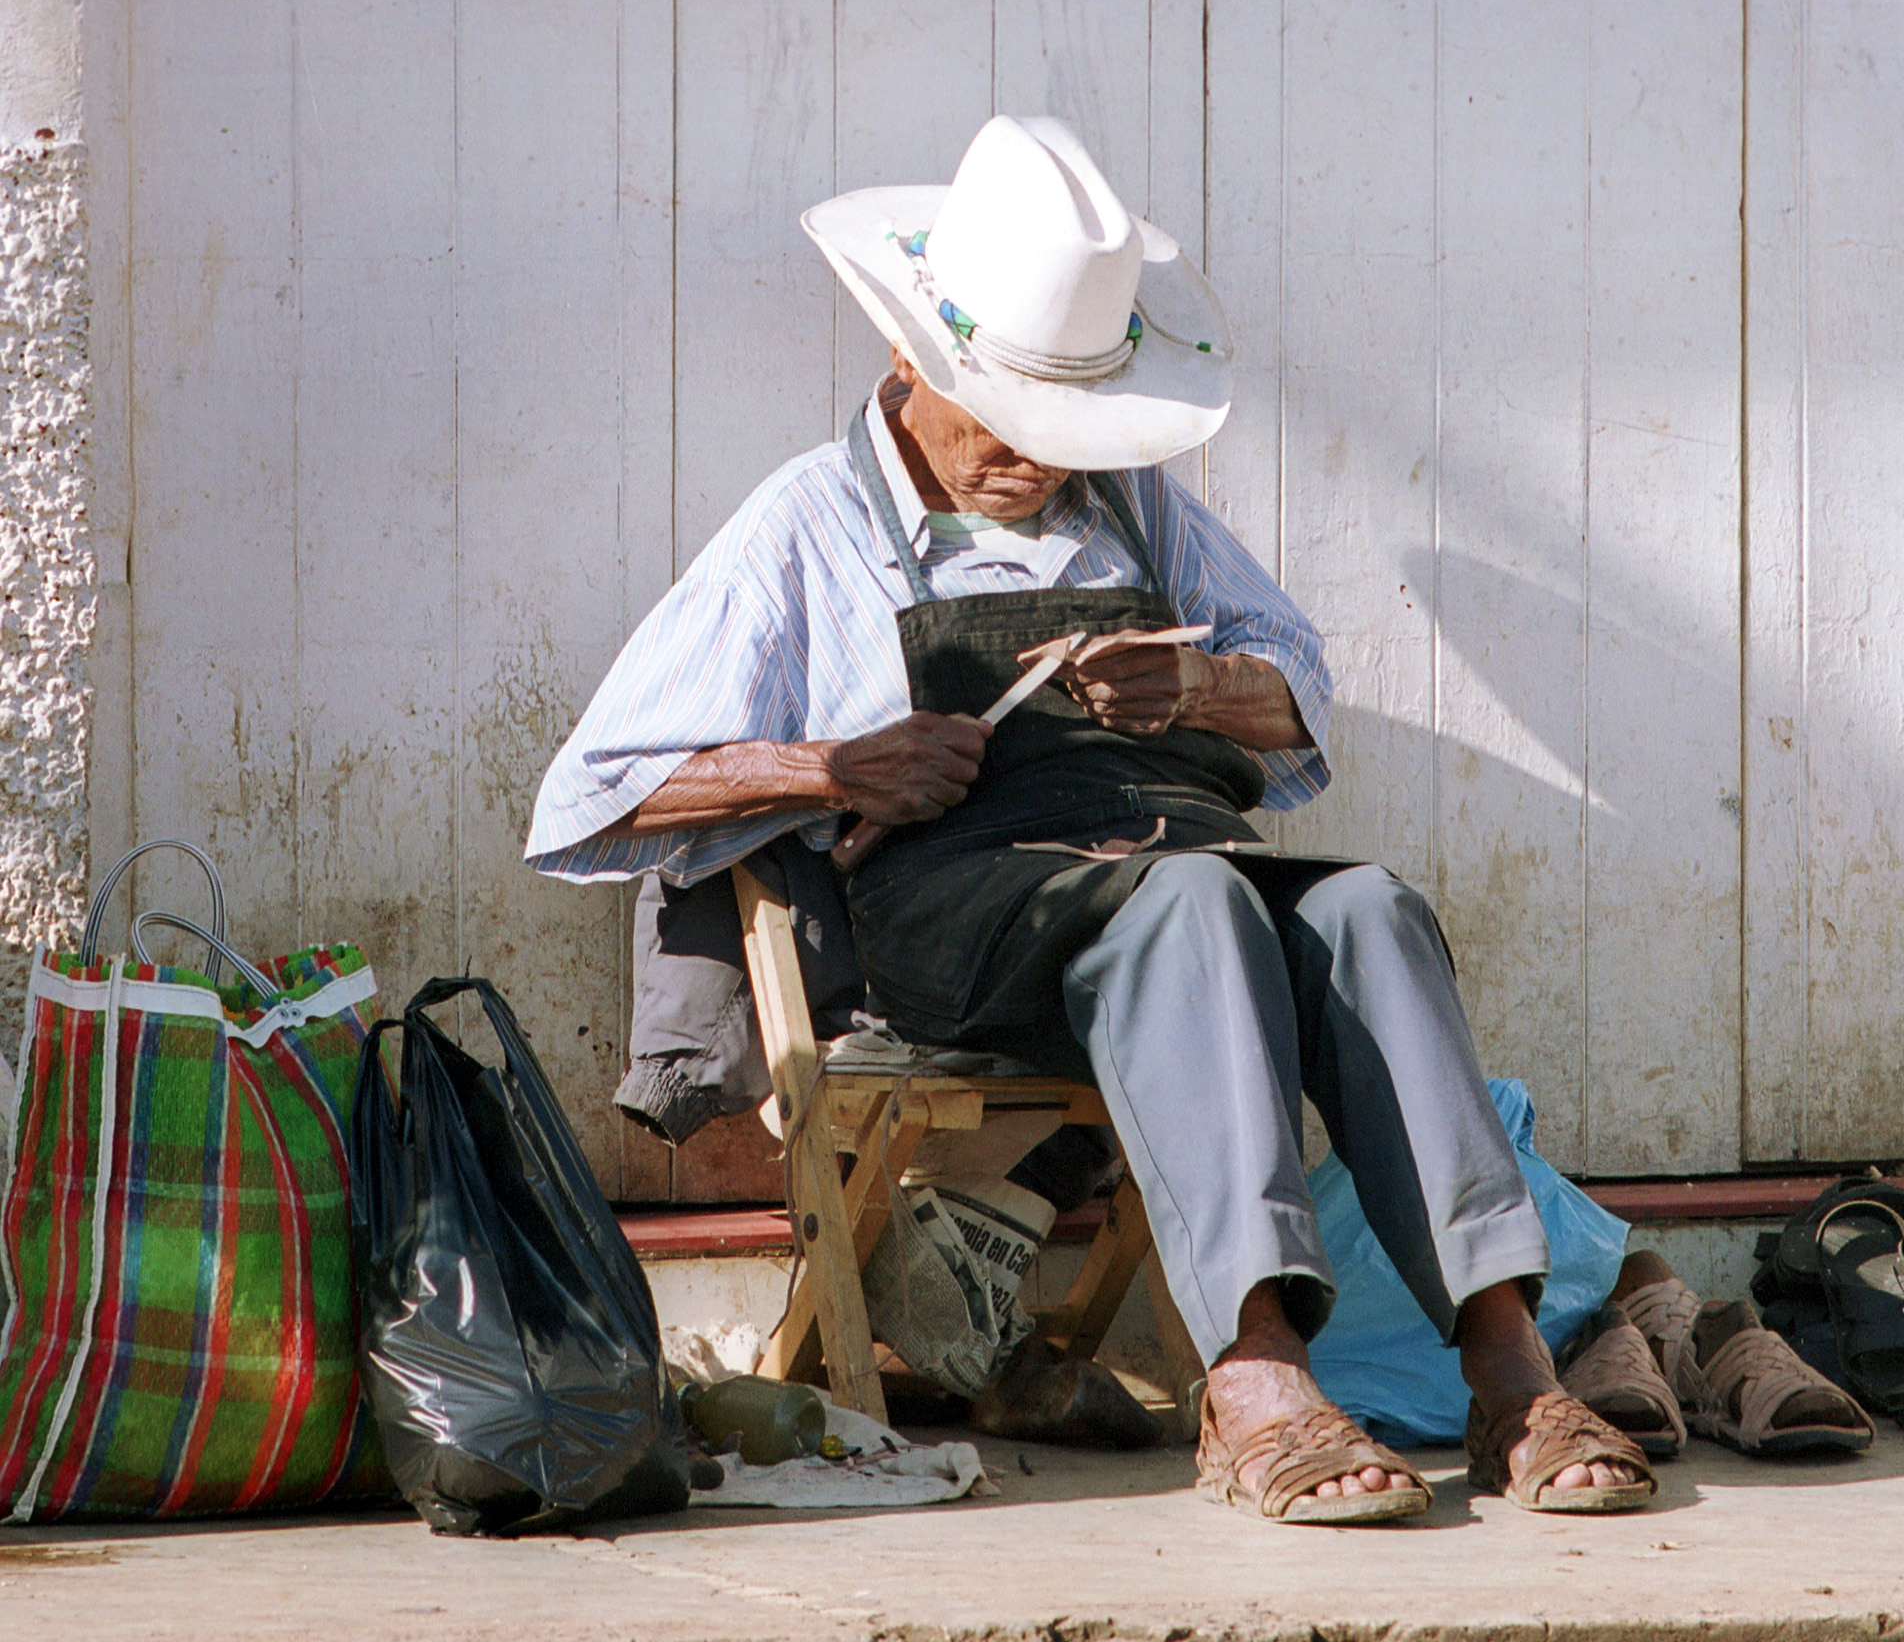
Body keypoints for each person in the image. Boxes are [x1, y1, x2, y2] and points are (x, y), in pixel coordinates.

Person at [527, 115, 1655, 1522]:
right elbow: (594, 791)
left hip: (1161, 903)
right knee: (1191, 902)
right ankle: (1251, 1377)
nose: (1034, 461)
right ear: (910, 364)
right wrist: (835, 769)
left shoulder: (1131, 505)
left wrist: (1198, 684)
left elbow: (1298, 697)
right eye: (1001, 422)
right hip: (953, 930)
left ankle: (1506, 1370)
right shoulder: (804, 525)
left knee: (1362, 905)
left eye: (1063, 430)